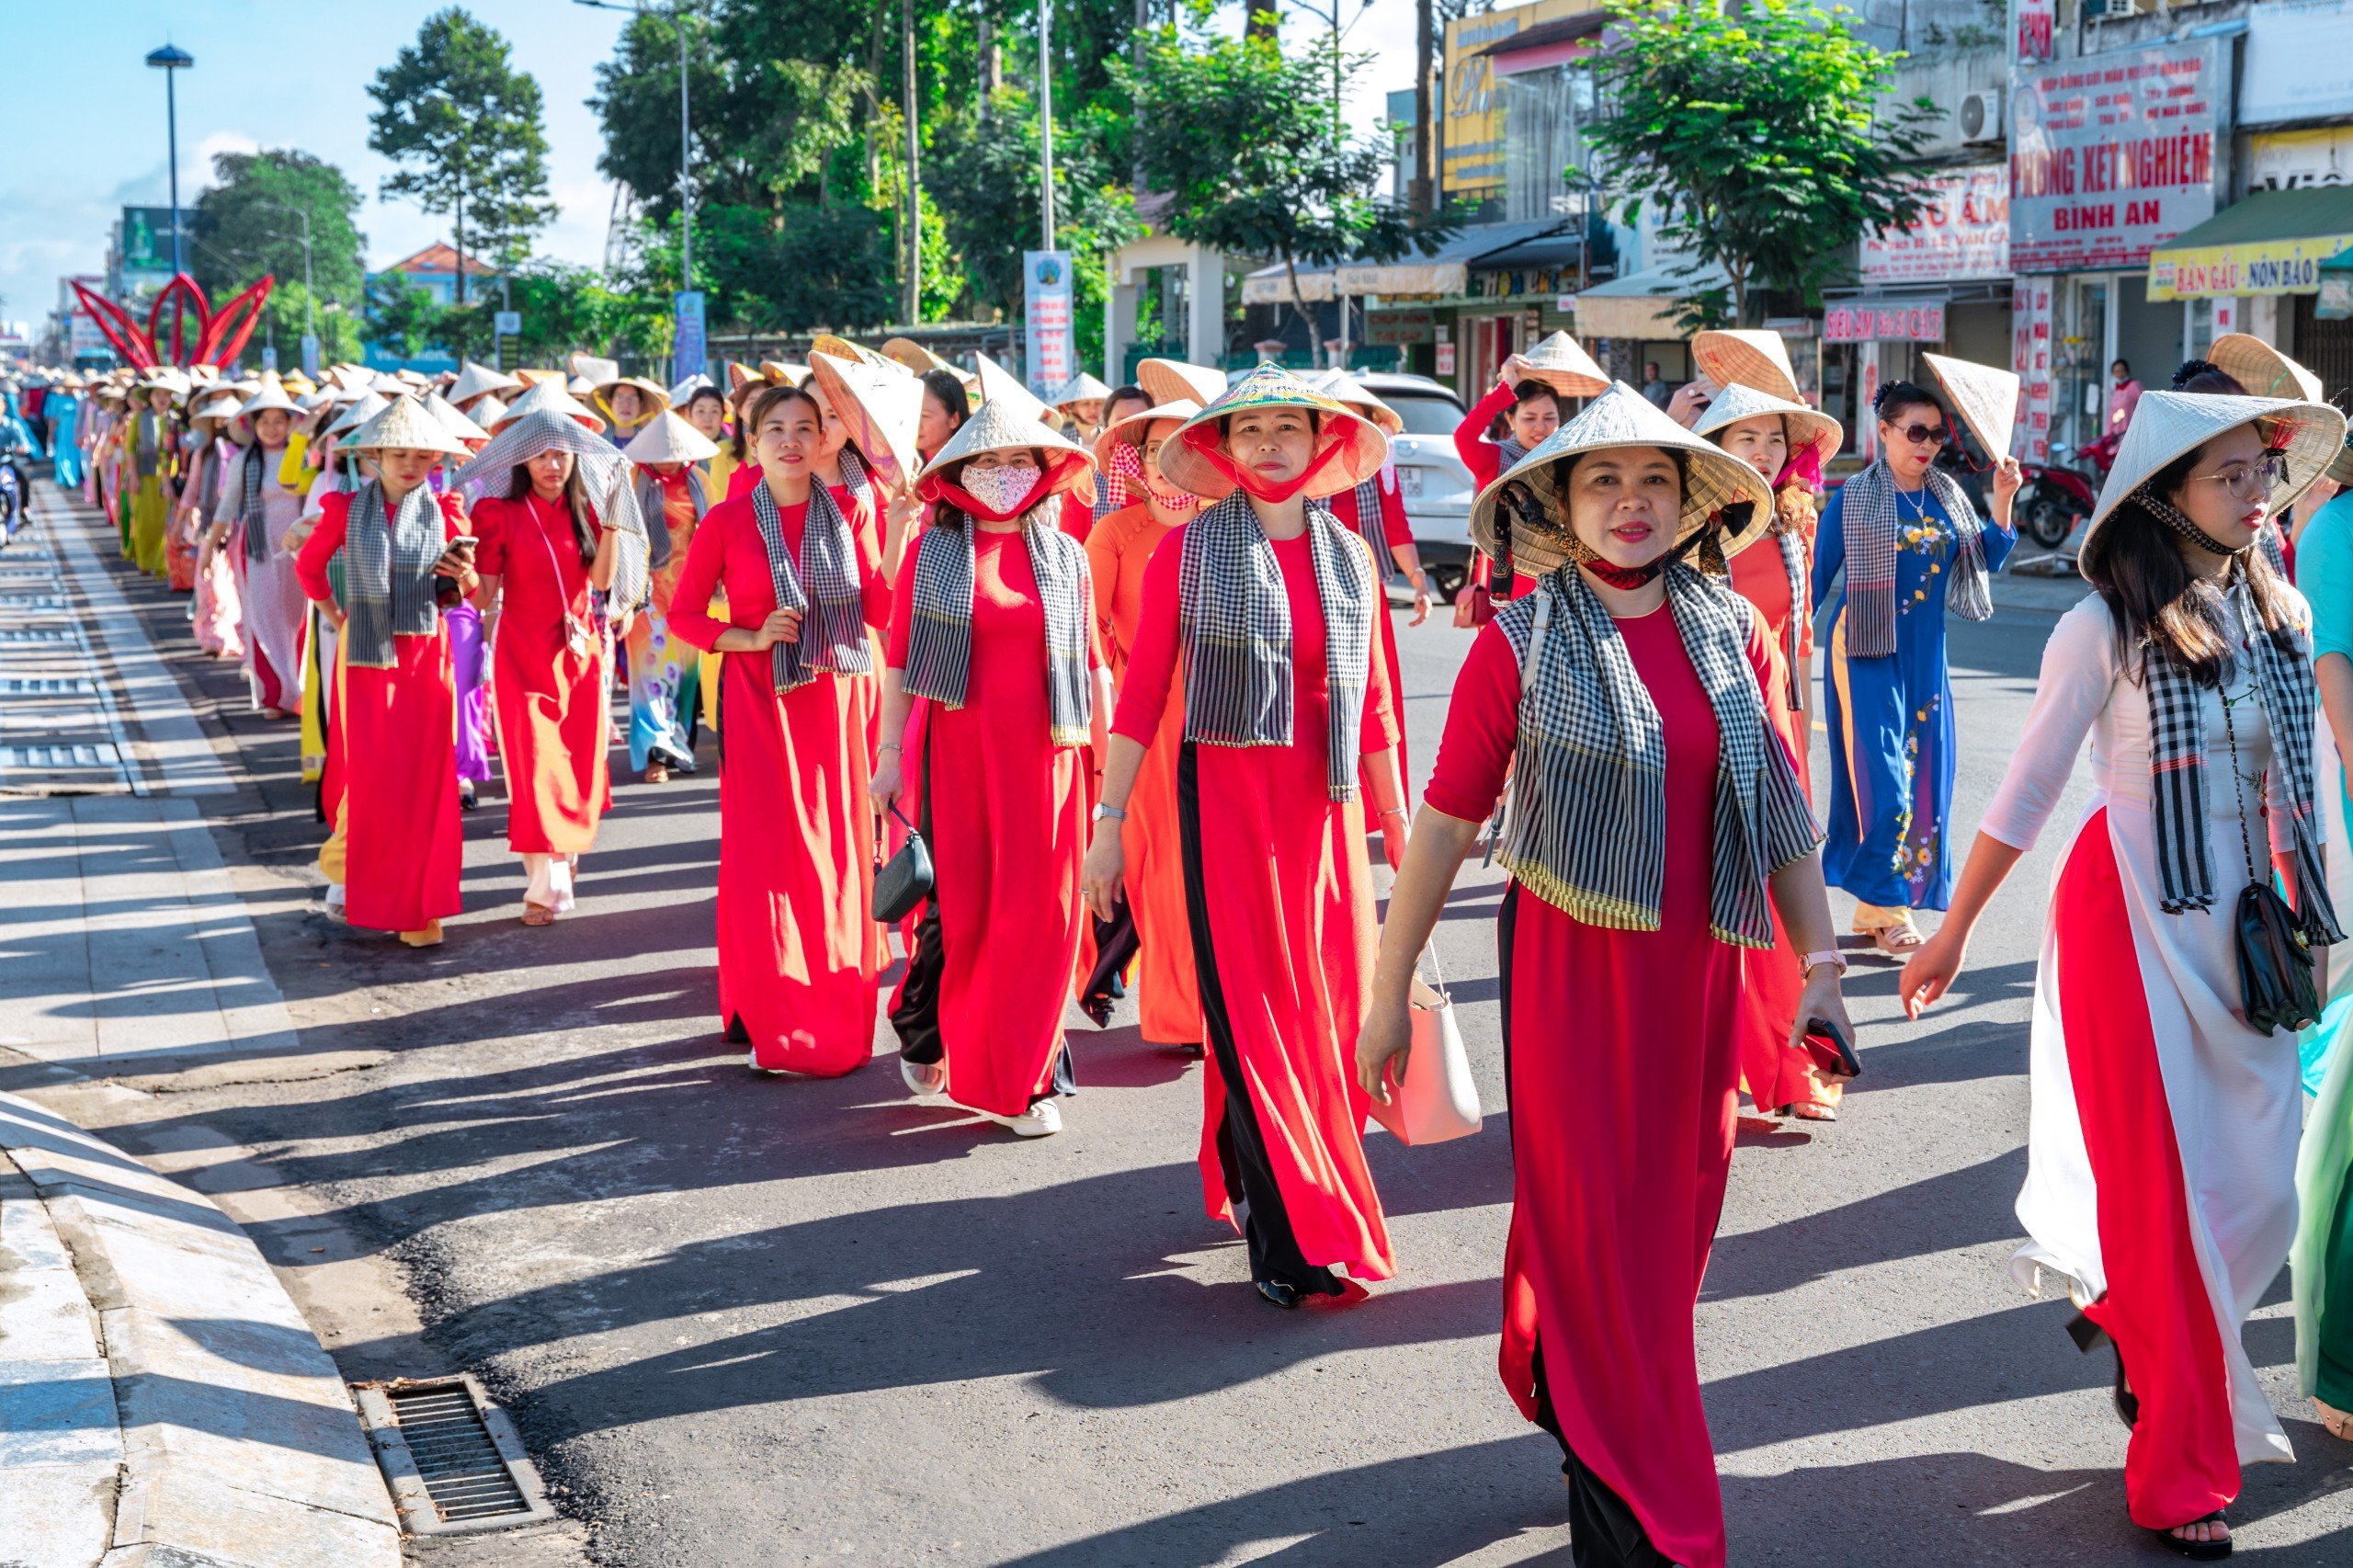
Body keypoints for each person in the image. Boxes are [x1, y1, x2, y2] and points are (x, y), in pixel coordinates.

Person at [1358, 381, 1843, 1568]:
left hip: (1703, 976)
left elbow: (1778, 812)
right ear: (1560, 507)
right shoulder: (1521, 641)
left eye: (1656, 482)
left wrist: (1822, 968)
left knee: (1672, 1226)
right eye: (1603, 482)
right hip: (1571, 969)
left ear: (1692, 504)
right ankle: (1643, 1494)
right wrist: (1389, 989)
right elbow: (1444, 823)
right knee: (1601, 1223)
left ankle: (1563, 1364)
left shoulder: (1734, 629)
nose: (1632, 504)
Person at [1900, 389, 2347, 1558]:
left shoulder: (2281, 611)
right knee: (2163, 1212)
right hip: (2128, 931)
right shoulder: (2101, 623)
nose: (2258, 497)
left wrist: (2328, 921)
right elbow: (2028, 790)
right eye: (2231, 477)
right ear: (2162, 492)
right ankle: (2182, 1474)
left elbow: (2302, 795)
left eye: (2264, 474)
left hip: (2240, 939)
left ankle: (2129, 1321)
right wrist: (1950, 930)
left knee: (2262, 1196)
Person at [1081, 366, 1407, 1301]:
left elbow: (1377, 707)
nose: (1268, 444)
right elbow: (1141, 699)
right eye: (1250, 428)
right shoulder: (1183, 553)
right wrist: (1108, 827)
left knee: (1325, 1022)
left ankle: (1256, 1168)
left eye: (1287, 428)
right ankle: (1289, 1240)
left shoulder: (1349, 557)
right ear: (1223, 448)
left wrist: (1396, 831)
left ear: (1322, 444)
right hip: (1223, 815)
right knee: (1258, 1018)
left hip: (1326, 820)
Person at [872, 401, 1108, 1136]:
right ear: (958, 473)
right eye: (987, 462)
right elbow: (901, 665)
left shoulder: (1069, 554)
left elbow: (1094, 669)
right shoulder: (930, 554)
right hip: (958, 759)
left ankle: (1025, 1077)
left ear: (1043, 473)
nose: (1004, 475)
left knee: (1044, 922)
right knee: (967, 921)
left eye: (1019, 462)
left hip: (1053, 762)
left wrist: (1112, 780)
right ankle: (938, 1031)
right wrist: (886, 760)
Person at [671, 382, 892, 1074]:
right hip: (763, 704)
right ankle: (773, 1016)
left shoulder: (853, 509)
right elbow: (683, 617)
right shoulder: (726, 522)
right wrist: (748, 635)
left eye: (806, 426)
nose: (792, 439)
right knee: (769, 857)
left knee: (838, 857)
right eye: (775, 429)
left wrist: (903, 528)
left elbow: (881, 609)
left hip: (838, 704)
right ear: (752, 442)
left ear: (824, 438)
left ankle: (835, 1013)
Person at [1813, 378, 2019, 952]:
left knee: (1925, 783)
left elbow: (1986, 559)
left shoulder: (1948, 495)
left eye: (1936, 435)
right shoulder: (1853, 498)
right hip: (1865, 652)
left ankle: (1877, 908)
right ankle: (1891, 909)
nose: (1926, 444)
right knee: (1885, 785)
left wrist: (2002, 499)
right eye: (1914, 432)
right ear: (1884, 432)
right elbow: (1812, 582)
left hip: (1926, 659)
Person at [1694, 381, 1846, 1123]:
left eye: (1774, 439)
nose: (1761, 451)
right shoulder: (1692, 520)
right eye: (1744, 437)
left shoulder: (1795, 520)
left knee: (1784, 901)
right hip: (1710, 725)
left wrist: (1804, 728)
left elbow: (1801, 638)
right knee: (1717, 899)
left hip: (1780, 726)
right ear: (1717, 447)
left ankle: (1789, 1065)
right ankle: (1720, 1056)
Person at [293, 397, 477, 947]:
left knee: (425, 779)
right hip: (367, 655)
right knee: (372, 773)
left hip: (426, 654)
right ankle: (358, 881)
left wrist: (463, 575)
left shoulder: (448, 510)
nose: (411, 465)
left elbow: (465, 591)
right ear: (373, 455)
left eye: (423, 455)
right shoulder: (346, 509)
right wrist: (334, 614)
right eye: (399, 454)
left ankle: (419, 908)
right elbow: (308, 568)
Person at [457, 409, 647, 924]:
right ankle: (546, 887)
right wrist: (463, 573)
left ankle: (563, 855)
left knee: (579, 765)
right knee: (535, 768)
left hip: (580, 656)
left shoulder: (585, 508)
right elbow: (485, 596)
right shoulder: (497, 513)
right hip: (521, 656)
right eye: (541, 454)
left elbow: (603, 581)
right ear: (523, 458)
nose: (552, 464)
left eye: (561, 453)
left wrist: (612, 521)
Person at [1083, 399, 1204, 1050]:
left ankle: (1217, 1007)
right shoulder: (1117, 534)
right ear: (1137, 460)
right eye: (1152, 449)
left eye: (1177, 447)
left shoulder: (1227, 527)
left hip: (1226, 716)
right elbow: (1085, 634)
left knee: (1212, 868)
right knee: (1162, 867)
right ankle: (1180, 1014)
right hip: (1146, 725)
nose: (1165, 463)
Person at [622, 411, 719, 781]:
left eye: (672, 450)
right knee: (651, 672)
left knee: (685, 676)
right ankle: (655, 756)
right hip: (645, 593)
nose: (665, 457)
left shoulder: (700, 481)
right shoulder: (633, 479)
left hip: (689, 593)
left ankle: (680, 747)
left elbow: (711, 533)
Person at [210, 382, 310, 718]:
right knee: (264, 618)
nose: (271, 428)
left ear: (290, 423)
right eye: (263, 421)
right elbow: (227, 507)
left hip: (299, 548)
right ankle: (275, 695)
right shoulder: (244, 461)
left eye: (278, 421)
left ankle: (299, 690)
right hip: (258, 549)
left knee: (296, 618)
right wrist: (209, 547)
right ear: (252, 425)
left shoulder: (304, 455)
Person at [125, 369, 181, 576]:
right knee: (143, 520)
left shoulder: (175, 420)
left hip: (169, 477)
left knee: (163, 521)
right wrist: (133, 476)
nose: (162, 399)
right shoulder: (139, 418)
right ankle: (144, 560)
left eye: (166, 394)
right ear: (150, 397)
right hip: (144, 474)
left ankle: (161, 562)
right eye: (158, 394)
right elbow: (130, 448)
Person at [596, 374, 667, 448]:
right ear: (610, 403)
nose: (626, 404)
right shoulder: (596, 442)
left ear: (640, 404)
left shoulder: (652, 444)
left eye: (632, 399)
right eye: (620, 397)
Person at [915, 368, 969, 464]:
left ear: (954, 419)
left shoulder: (973, 466)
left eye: (925, 415)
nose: (915, 423)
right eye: (913, 412)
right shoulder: (904, 462)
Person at [48, 375, 84, 492]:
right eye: (68, 387)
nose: (71, 390)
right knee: (63, 453)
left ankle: (74, 478)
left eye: (73, 387)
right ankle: (65, 478)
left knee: (75, 454)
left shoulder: (79, 399)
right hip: (63, 430)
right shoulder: (57, 399)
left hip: (76, 430)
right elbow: (53, 418)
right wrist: (51, 433)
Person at [2109, 358, 2144, 435]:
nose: (2120, 374)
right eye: (2117, 372)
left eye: (2122, 371)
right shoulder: (2115, 389)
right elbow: (2112, 413)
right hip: (2116, 433)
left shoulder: (2134, 385)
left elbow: (2144, 404)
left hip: (2131, 430)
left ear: (2127, 371)